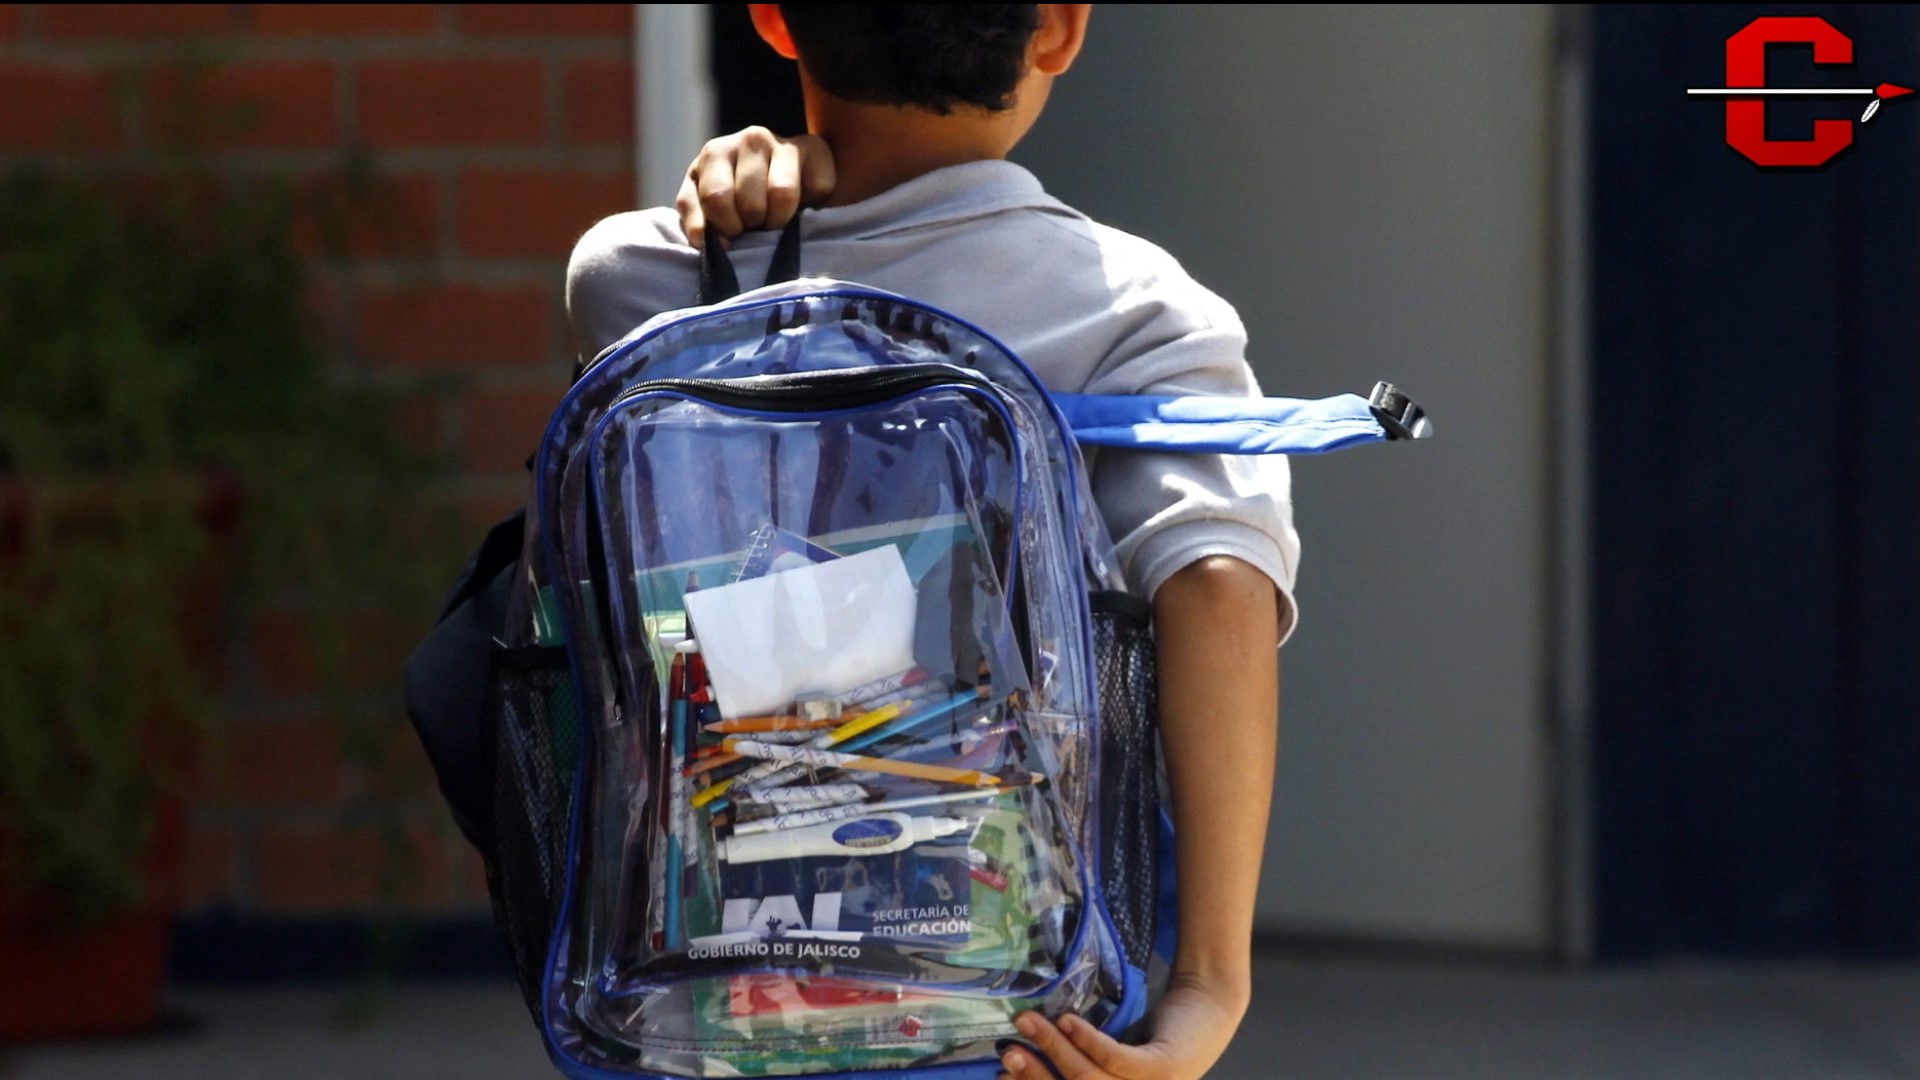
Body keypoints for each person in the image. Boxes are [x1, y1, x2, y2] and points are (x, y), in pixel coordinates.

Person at [566, 7, 1293, 1079]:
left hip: (703, 994)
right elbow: (1221, 589)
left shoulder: (639, 282)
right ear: (1059, 28)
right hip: (1018, 1016)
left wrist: (793, 170)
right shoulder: (1144, 312)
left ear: (772, 18)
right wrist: (1207, 991)